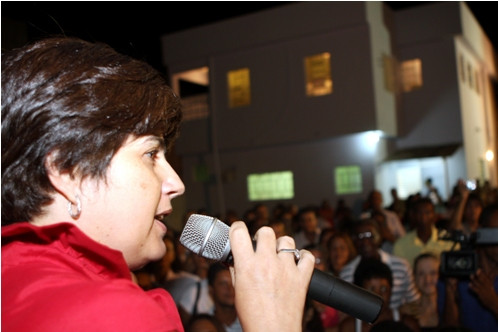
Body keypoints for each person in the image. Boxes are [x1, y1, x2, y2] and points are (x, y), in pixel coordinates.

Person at [1, 37, 315, 332]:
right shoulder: (112, 315)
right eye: (151, 154)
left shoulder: (15, 281)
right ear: (68, 171)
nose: (176, 183)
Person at [340, 218, 420, 310]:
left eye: (370, 235)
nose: (365, 242)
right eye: (360, 237)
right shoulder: (347, 273)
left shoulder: (401, 266)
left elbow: (413, 301)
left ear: (380, 237)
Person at [441, 203, 498, 331]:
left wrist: (493, 303)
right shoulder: (459, 270)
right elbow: (449, 327)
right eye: (495, 233)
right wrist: (450, 292)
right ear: (481, 232)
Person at [338, 258, 420, 332]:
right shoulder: (349, 327)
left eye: (383, 289)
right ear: (361, 293)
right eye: (371, 289)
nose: (378, 295)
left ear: (391, 290)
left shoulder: (407, 324)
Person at [393, 198, 455, 268]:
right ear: (413, 216)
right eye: (420, 213)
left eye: (427, 213)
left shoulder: (448, 241)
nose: (423, 217)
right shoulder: (401, 245)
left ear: (434, 215)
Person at [412, 253, 441, 331]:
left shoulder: (451, 309)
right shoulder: (407, 311)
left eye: (433, 273)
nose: (427, 279)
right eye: (421, 274)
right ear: (414, 277)